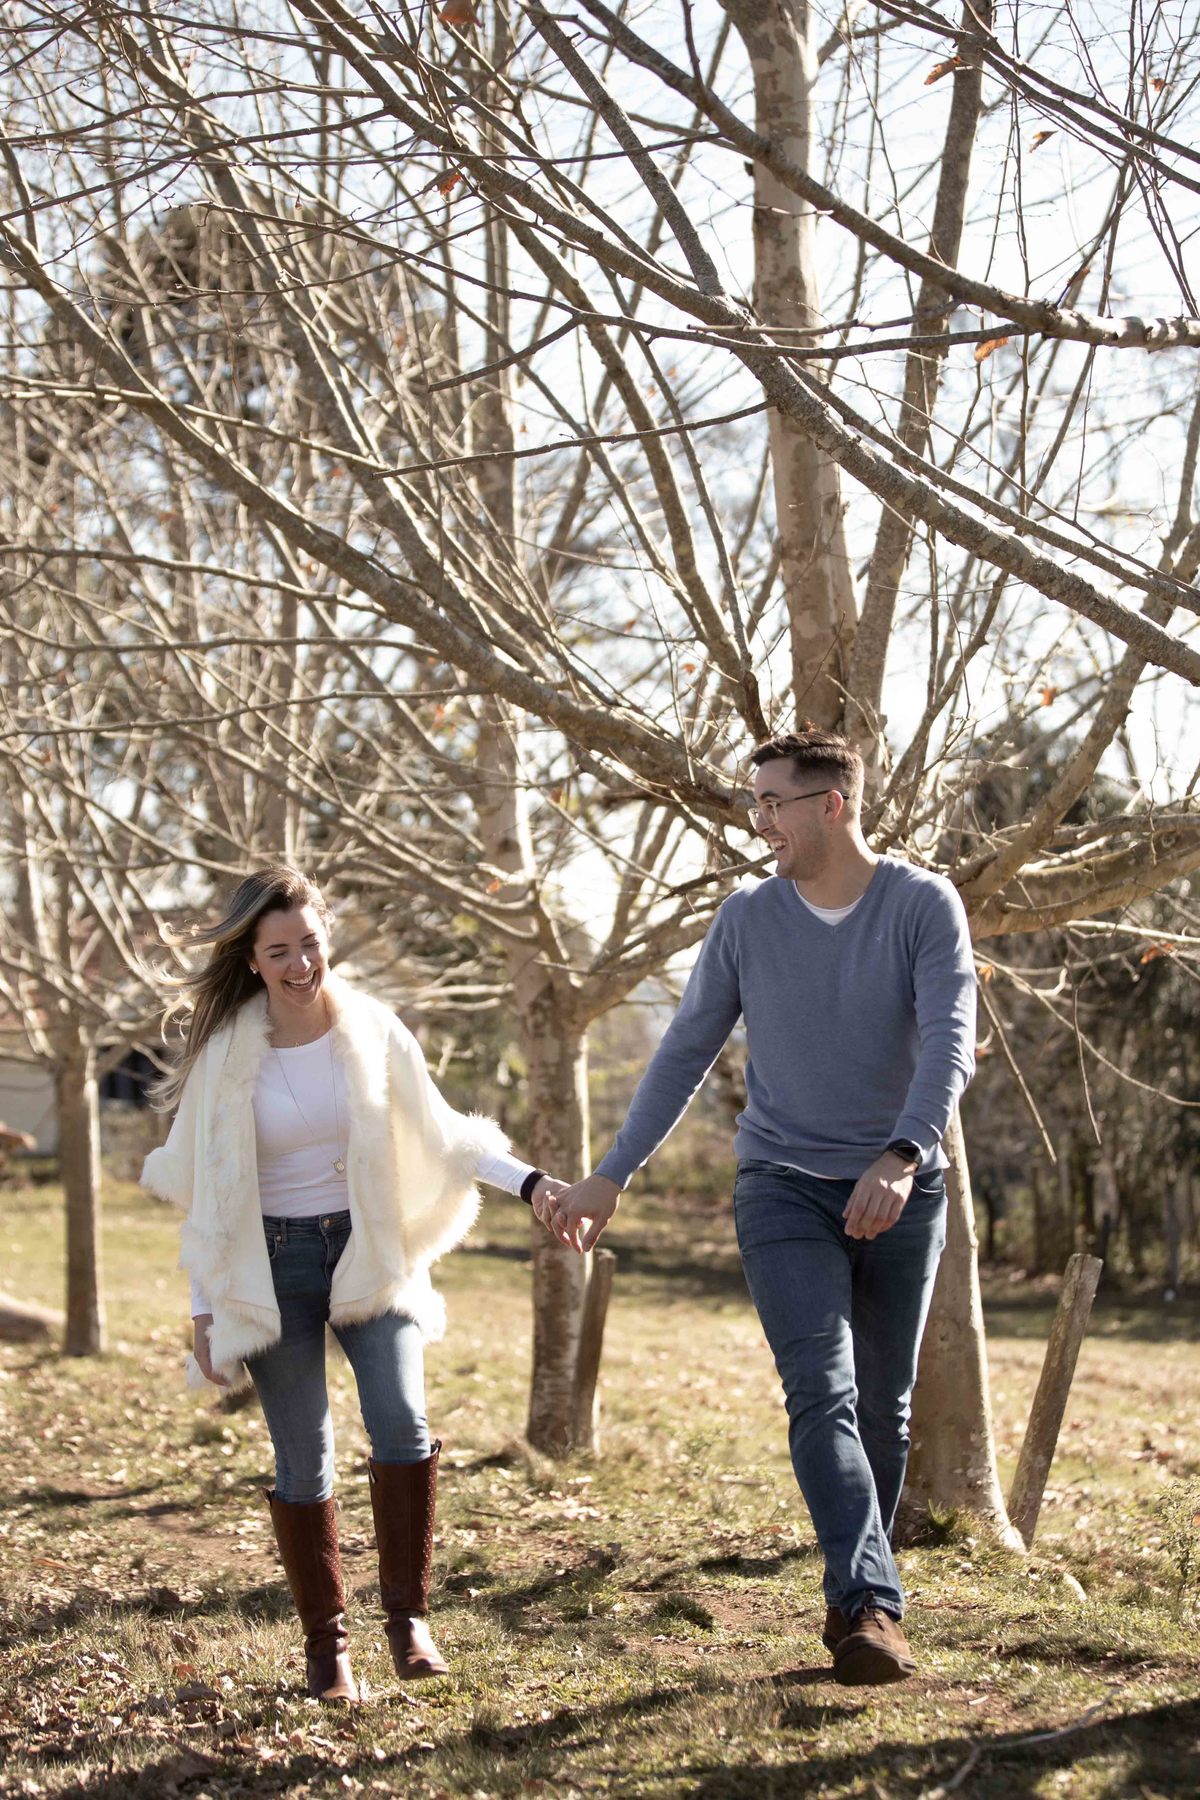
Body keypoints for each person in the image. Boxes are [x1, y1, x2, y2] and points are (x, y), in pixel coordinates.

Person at [541, 730, 977, 1686]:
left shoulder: (921, 905)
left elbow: (951, 1041)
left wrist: (904, 1155)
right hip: (780, 1182)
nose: (758, 821)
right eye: (755, 802)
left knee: (885, 1410)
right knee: (822, 1390)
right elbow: (686, 1048)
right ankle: (872, 1603)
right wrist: (611, 1172)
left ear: (833, 803)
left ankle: (850, 1592)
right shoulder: (747, 918)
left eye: (773, 801)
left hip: (901, 1185)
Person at [142, 868, 565, 1703]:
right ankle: (326, 1647)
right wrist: (204, 1309)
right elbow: (208, 1196)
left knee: (402, 1420)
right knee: (304, 1457)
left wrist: (535, 1185)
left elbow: (448, 1136)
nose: (301, 964)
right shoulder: (225, 1054)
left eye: (310, 944)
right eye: (279, 952)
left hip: (367, 1251)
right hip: (271, 1265)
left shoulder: (372, 1030)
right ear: (252, 961)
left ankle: (407, 1621)